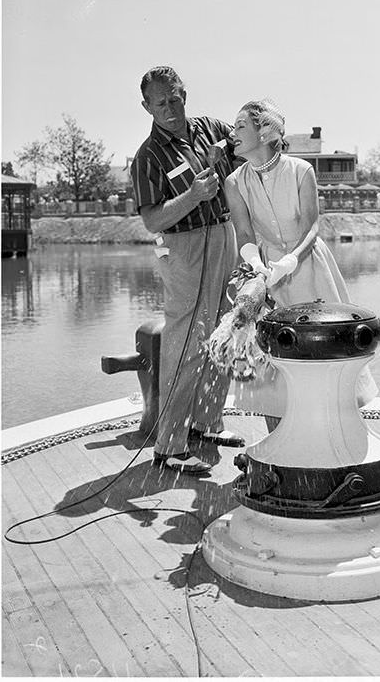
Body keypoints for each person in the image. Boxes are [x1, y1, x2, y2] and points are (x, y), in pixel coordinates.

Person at [224, 99, 377, 425]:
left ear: (264, 132)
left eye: (239, 126)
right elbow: (243, 232)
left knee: (325, 347)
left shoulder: (301, 170)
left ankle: (333, 436)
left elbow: (312, 226)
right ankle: (279, 447)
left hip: (309, 265)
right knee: (271, 355)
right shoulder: (234, 182)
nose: (231, 133)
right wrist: (255, 263)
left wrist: (292, 260)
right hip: (266, 271)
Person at [130, 66, 244, 473]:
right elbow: (152, 220)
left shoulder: (212, 127)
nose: (171, 108)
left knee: (226, 331)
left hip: (226, 234)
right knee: (187, 340)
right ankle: (170, 445)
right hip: (184, 247)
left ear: (184, 94)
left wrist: (228, 155)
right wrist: (195, 194)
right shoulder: (148, 157)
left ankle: (208, 422)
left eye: (175, 98)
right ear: (147, 107)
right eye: (161, 103)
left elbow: (251, 143)